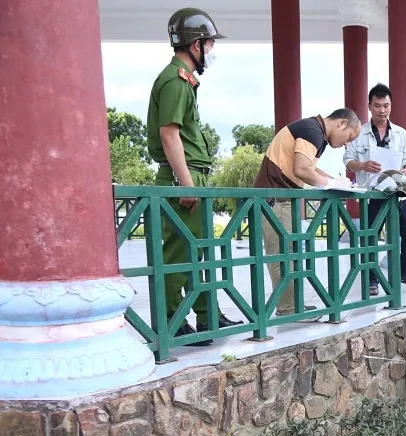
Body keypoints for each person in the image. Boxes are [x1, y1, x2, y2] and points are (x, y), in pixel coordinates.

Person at [147, 8, 241, 346]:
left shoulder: (185, 80)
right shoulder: (175, 80)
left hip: (192, 176)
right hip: (182, 178)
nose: (213, 51)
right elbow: (170, 134)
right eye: (211, 43)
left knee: (198, 252)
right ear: (196, 44)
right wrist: (185, 182)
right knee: (177, 256)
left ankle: (206, 315)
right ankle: (172, 322)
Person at [252, 109, 361, 318]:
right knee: (281, 258)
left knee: (289, 256)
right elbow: (302, 170)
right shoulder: (312, 131)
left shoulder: (314, 130)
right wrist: (331, 184)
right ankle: (289, 310)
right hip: (274, 201)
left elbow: (311, 168)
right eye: (350, 138)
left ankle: (293, 307)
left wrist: (339, 182)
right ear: (341, 123)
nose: (347, 144)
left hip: (282, 201)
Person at [344, 83, 406, 295]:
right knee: (370, 236)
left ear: (391, 106)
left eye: (386, 105)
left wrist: (405, 170)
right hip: (371, 192)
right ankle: (372, 280)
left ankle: (404, 272)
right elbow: (348, 160)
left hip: (398, 189)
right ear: (369, 106)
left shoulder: (401, 134)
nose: (382, 110)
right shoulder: (359, 133)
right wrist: (363, 165)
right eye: (377, 105)